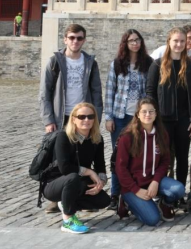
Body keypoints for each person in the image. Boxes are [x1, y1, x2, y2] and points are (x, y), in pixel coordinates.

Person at [39, 23, 103, 214]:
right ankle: (55, 196)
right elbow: (45, 93)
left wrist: (95, 118)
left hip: (83, 117)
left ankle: (84, 192)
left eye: (79, 38)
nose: (75, 41)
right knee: (58, 159)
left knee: (84, 155)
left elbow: (96, 91)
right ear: (65, 39)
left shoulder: (90, 62)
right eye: (72, 37)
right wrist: (48, 120)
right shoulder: (55, 62)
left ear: (84, 40)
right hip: (61, 117)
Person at [103, 29, 153, 210]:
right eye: (131, 40)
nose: (135, 43)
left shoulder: (148, 63)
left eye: (137, 40)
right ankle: (115, 194)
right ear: (125, 43)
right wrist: (108, 117)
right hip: (120, 116)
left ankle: (135, 192)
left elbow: (150, 89)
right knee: (119, 157)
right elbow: (110, 91)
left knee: (139, 155)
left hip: (140, 117)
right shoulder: (117, 64)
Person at [115, 97, 185, 225]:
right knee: (153, 220)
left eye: (151, 111)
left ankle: (164, 204)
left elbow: (165, 162)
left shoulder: (162, 134)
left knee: (179, 189)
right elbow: (121, 168)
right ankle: (125, 202)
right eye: (144, 112)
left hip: (153, 181)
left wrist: (155, 181)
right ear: (137, 114)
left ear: (156, 113)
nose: (148, 115)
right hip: (132, 186)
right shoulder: (127, 136)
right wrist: (136, 189)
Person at [146, 27, 191, 189]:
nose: (179, 44)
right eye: (175, 41)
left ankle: (181, 189)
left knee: (183, 157)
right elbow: (150, 92)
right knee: (164, 158)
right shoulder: (157, 65)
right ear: (169, 42)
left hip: (184, 120)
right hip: (163, 120)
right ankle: (164, 192)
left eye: (182, 41)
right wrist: (153, 118)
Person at [42, 102, 109, 234]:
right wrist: (89, 171)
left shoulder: (97, 139)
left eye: (90, 116)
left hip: (78, 184)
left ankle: (66, 204)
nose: (86, 120)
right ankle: (67, 221)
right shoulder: (63, 137)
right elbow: (65, 168)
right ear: (73, 119)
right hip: (55, 185)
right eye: (81, 117)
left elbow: (100, 165)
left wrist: (101, 182)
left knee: (104, 200)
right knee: (72, 177)